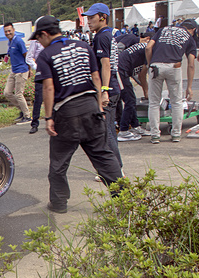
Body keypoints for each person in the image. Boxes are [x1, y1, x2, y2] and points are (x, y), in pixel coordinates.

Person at [33, 15, 122, 214]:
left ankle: (59, 203)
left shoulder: (46, 55)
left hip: (66, 113)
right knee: (103, 155)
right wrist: (99, 106)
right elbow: (96, 77)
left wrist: (49, 118)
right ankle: (124, 198)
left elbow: (48, 88)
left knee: (59, 162)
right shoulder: (83, 46)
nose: (39, 43)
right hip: (91, 107)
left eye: (38, 38)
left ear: (44, 34)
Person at [145, 20, 198, 143]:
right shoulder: (189, 38)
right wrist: (189, 87)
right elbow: (191, 64)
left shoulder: (163, 30)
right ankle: (176, 134)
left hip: (155, 66)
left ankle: (155, 135)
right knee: (176, 102)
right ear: (194, 30)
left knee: (154, 103)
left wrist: (150, 64)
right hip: (174, 66)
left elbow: (148, 48)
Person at [84, 3, 122, 167]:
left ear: (103, 17)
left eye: (92, 17)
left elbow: (105, 65)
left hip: (108, 89)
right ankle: (116, 167)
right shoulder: (107, 34)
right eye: (88, 18)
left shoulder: (102, 37)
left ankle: (116, 169)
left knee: (106, 132)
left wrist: (104, 90)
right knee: (109, 130)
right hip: (113, 87)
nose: (89, 21)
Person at [117, 35, 152, 141]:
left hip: (122, 70)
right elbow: (142, 75)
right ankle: (123, 131)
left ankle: (135, 126)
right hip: (120, 71)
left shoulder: (143, 47)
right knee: (130, 100)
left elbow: (138, 76)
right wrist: (146, 91)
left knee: (130, 99)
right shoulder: (149, 50)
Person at [3, 23, 32, 124]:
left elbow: (26, 55)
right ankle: (22, 110)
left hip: (21, 70)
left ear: (13, 30)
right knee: (7, 93)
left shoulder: (19, 41)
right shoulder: (10, 42)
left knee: (19, 94)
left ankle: (27, 116)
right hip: (14, 70)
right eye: (6, 31)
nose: (8, 33)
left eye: (9, 31)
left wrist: (29, 69)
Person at [26, 38, 45, 134]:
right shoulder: (35, 41)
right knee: (38, 98)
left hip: (52, 71)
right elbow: (29, 57)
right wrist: (37, 67)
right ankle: (34, 124)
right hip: (41, 72)